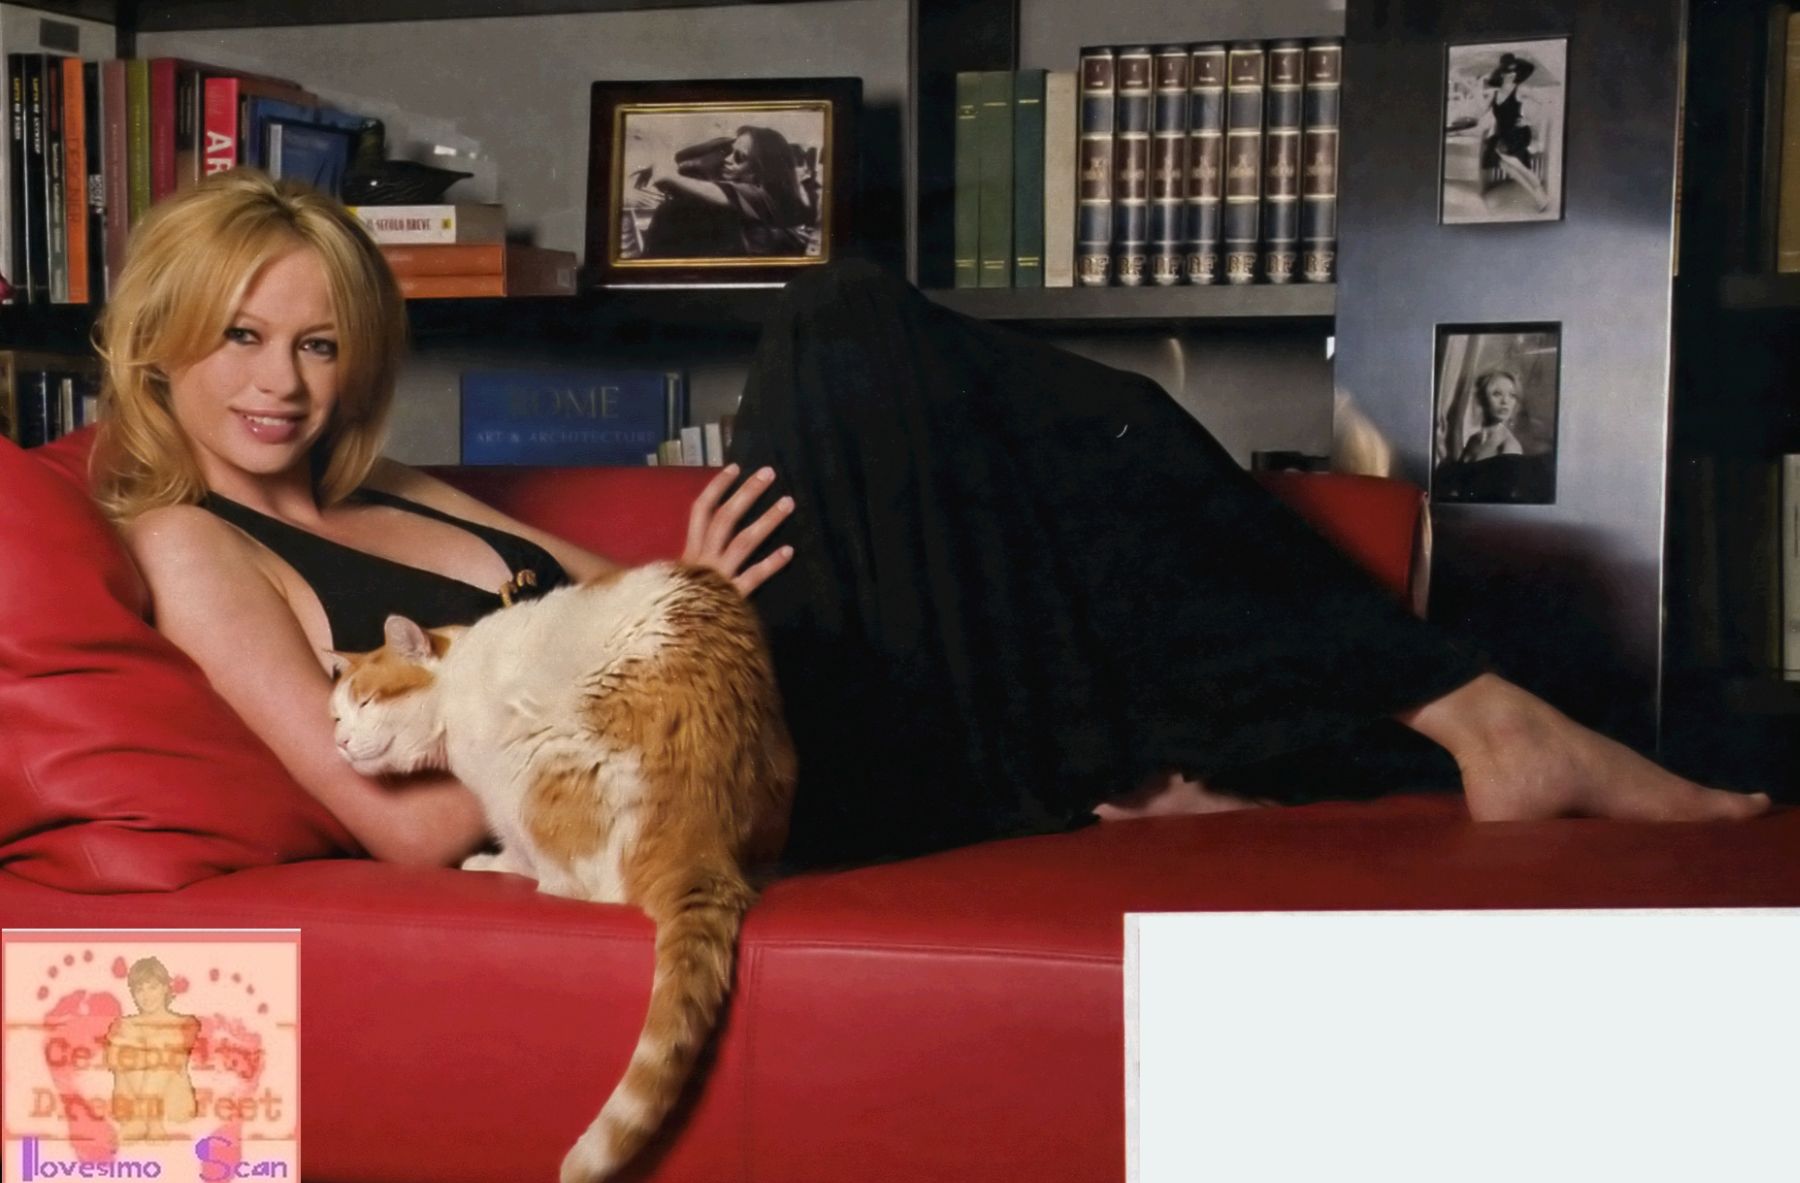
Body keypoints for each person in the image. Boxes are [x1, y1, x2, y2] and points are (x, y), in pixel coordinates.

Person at [97, 171, 1765, 874]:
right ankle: (1463, 710)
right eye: (240, 336)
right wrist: (618, 674)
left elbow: (624, 597)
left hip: (759, 682)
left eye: (318, 342)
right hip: (720, 783)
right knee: (846, 323)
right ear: (159, 342)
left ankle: (1376, 731)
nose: (282, 382)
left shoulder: (397, 486)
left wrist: (687, 589)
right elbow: (394, 827)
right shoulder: (195, 546)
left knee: (1028, 418)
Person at [632, 126, 813, 259]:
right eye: (730, 151)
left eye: (739, 157)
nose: (727, 159)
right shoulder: (757, 196)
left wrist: (663, 170)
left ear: (759, 170)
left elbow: (668, 177)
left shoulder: (760, 196)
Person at [104, 957, 199, 1142]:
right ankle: (150, 1120)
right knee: (128, 1038)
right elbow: (113, 1061)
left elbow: (173, 1059)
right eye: (140, 989)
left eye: (152, 987)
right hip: (128, 1109)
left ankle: (143, 1118)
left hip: (172, 1107)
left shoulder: (185, 1023)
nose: (146, 996)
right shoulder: (124, 1025)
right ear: (133, 994)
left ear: (165, 988)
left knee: (164, 1040)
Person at [1473, 52, 1552, 212]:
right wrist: (1476, 87)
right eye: (1509, 71)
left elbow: (1546, 103)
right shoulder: (1494, 94)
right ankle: (1539, 198)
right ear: (1502, 73)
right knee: (1507, 167)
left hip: (1517, 134)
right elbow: (1482, 109)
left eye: (1515, 71)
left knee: (1515, 165)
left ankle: (1541, 196)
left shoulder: (1520, 89)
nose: (1512, 74)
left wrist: (1530, 121)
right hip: (1503, 134)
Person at [1458, 369, 1526, 463]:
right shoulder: (1474, 439)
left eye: (1512, 395)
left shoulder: (1509, 445)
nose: (1505, 401)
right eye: (1497, 394)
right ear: (1482, 398)